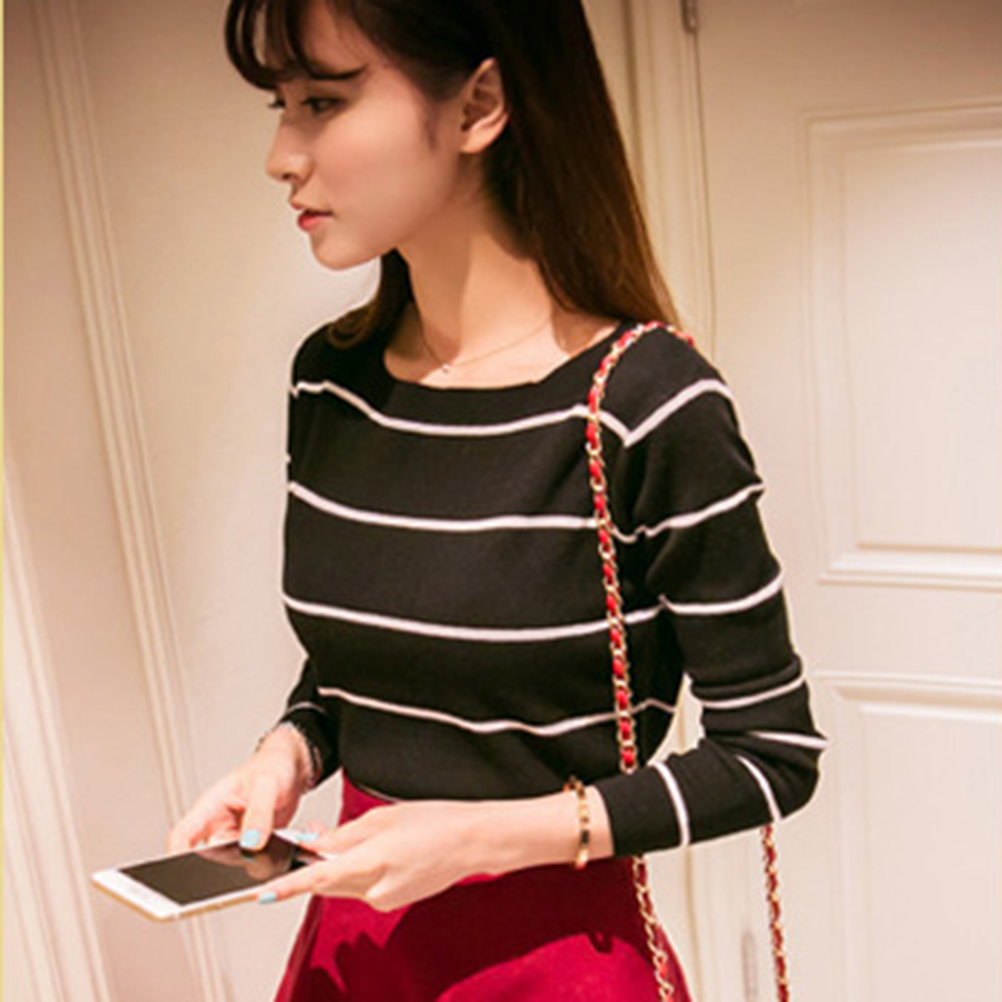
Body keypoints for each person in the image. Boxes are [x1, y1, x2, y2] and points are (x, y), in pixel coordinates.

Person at [169, 1, 825, 999]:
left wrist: (477, 838)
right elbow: (364, 668)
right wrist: (288, 755)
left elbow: (770, 755)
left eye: (322, 103)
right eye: (281, 105)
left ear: (479, 104)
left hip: (551, 961)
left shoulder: (647, 404)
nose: (281, 156)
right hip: (354, 946)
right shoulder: (331, 381)